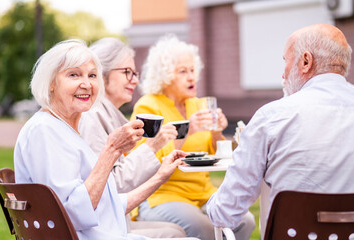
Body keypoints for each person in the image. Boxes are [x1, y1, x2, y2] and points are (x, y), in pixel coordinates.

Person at [13, 39, 198, 240]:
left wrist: (160, 176)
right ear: (51, 84)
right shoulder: (45, 130)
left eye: (92, 75)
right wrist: (111, 150)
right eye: (73, 75)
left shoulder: (62, 128)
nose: (86, 83)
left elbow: (108, 204)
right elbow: (71, 215)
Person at [206, 23, 354, 237]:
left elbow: (224, 213)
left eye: (286, 61)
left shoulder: (272, 118)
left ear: (305, 61)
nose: (283, 74)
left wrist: (212, 203)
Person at [130, 34, 255, 240]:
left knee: (244, 220)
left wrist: (217, 131)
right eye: (182, 72)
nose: (191, 77)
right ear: (165, 76)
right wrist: (188, 130)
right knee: (204, 228)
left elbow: (217, 153)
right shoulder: (148, 106)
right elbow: (147, 160)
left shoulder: (197, 105)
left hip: (203, 193)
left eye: (192, 70)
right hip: (164, 195)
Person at [79, 37, 186, 238]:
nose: (135, 80)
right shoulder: (92, 118)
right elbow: (111, 186)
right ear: (102, 73)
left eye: (135, 73)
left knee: (176, 231)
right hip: (101, 226)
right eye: (127, 72)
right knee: (176, 234)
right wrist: (152, 147)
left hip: (112, 219)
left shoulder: (106, 115)